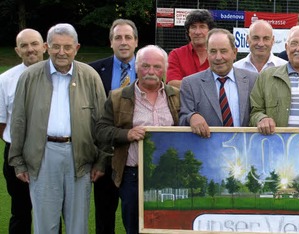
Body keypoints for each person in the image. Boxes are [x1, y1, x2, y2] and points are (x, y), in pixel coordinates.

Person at [8, 23, 108, 234]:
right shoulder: (30, 76)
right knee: (45, 225)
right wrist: (17, 161)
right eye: (55, 46)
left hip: (80, 157)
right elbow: (18, 121)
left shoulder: (90, 76)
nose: (61, 52)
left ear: (77, 48)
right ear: (47, 46)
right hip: (42, 156)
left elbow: (101, 122)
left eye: (67, 47)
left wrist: (101, 160)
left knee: (77, 225)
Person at [96, 45, 180, 234]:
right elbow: (101, 130)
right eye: (145, 66)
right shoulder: (118, 97)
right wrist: (126, 134)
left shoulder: (175, 96)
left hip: (167, 175)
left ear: (165, 69)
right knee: (134, 226)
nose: (151, 72)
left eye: (157, 67)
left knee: (168, 227)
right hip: (132, 175)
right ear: (136, 67)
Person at [88, 18, 139, 234]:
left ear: (136, 41)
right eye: (118, 37)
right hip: (105, 155)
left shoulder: (149, 67)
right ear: (111, 42)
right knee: (104, 215)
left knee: (136, 218)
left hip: (136, 156)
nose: (123, 42)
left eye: (128, 37)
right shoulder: (93, 71)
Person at [0, 28, 45, 234]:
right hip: (16, 155)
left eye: (34, 44)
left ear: (44, 46)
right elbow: (1, 123)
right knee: (20, 211)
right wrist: (18, 146)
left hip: (50, 152)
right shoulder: (5, 80)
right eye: (24, 46)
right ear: (17, 51)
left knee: (50, 212)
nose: (30, 49)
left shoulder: (58, 76)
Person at [181, 28, 258, 138]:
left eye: (223, 51)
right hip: (208, 150)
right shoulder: (190, 84)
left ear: (234, 53)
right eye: (213, 51)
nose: (218, 57)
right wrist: (191, 117)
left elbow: (259, 112)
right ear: (207, 53)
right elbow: (182, 119)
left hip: (245, 150)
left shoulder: (253, 79)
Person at [167, 9, 215, 88]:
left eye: (202, 26)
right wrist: (207, 86)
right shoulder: (176, 54)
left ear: (210, 30)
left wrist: (187, 85)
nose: (197, 32)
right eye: (193, 27)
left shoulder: (218, 55)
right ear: (188, 31)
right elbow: (172, 84)